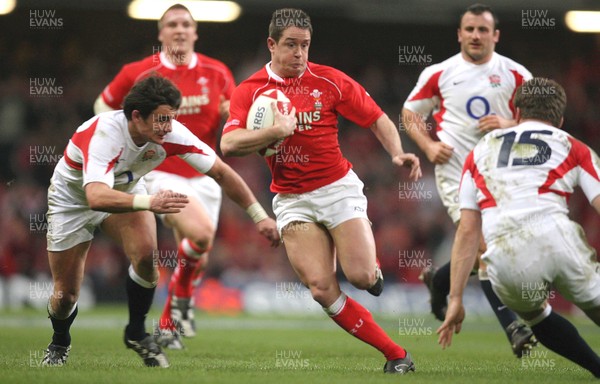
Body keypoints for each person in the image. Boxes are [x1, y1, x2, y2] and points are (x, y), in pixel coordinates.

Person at [220, 8, 421, 374]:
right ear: (271, 44)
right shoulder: (249, 90)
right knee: (320, 288)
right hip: (292, 199)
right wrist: (272, 133)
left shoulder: (328, 81)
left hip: (336, 189)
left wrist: (397, 152)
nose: (299, 53)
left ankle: (370, 272)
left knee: (360, 278)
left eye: (305, 46)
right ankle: (397, 355)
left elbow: (376, 117)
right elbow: (229, 144)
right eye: (291, 45)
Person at [43, 76, 279, 368]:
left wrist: (260, 216)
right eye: (161, 120)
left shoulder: (172, 134)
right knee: (65, 296)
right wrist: (149, 202)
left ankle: (136, 332)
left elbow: (221, 172)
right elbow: (96, 197)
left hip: (127, 193)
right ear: (137, 116)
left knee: (146, 259)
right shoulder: (105, 134)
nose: (168, 127)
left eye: (171, 119)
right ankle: (60, 340)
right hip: (73, 203)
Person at [94, 4, 236, 349]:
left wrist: (234, 117)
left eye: (186, 24)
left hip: (203, 174)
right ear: (160, 34)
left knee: (198, 251)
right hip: (158, 171)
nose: (179, 29)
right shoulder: (139, 72)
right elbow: (103, 105)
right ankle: (171, 317)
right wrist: (122, 143)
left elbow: (233, 116)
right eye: (172, 24)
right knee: (199, 232)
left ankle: (176, 307)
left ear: (195, 32)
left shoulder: (217, 72)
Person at [437, 78, 600, 378]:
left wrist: (456, 298)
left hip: (507, 257)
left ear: (516, 111)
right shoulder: (573, 146)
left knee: (537, 316)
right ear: (560, 120)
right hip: (558, 239)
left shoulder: (479, 151)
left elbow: (469, 231)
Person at [402, 3, 536, 357]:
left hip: (503, 175)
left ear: (495, 35)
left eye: (483, 30)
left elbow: (546, 119)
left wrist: (509, 124)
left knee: (503, 249)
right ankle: (513, 326)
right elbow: (410, 112)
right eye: (470, 29)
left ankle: (441, 279)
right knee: (481, 243)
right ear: (459, 34)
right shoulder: (441, 72)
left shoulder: (516, 74)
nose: (476, 35)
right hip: (457, 173)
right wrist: (429, 146)